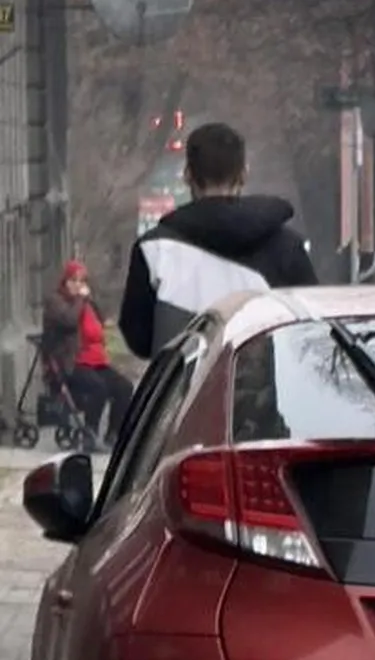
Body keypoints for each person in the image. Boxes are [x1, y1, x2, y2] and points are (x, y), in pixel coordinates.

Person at [119, 122, 317, 361]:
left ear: (187, 175)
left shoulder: (153, 250)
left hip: (184, 393)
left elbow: (138, 337)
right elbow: (310, 329)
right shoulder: (287, 247)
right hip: (264, 392)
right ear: (244, 173)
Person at [41, 261, 133, 442]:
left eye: (81, 281)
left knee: (124, 387)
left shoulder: (84, 302)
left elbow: (103, 318)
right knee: (98, 387)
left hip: (95, 361)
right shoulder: (55, 301)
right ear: (65, 281)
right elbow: (69, 321)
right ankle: (90, 433)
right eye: (73, 280)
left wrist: (90, 300)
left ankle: (113, 434)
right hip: (70, 361)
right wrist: (80, 300)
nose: (77, 285)